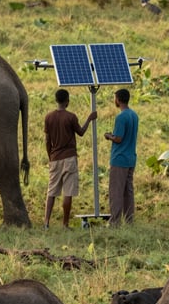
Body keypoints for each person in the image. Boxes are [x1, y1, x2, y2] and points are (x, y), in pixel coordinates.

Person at [44, 88, 97, 228]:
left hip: (54, 158)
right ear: (67, 101)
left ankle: (46, 222)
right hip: (69, 158)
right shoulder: (71, 117)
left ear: (56, 100)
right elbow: (80, 132)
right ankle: (65, 224)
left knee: (52, 191)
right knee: (68, 192)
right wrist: (89, 119)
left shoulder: (48, 117)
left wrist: (51, 156)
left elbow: (47, 141)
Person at [103, 88, 139, 226]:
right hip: (131, 158)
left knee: (116, 192)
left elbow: (118, 138)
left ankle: (115, 222)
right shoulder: (134, 115)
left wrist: (108, 136)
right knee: (128, 191)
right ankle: (129, 220)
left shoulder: (121, 117)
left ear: (118, 99)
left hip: (119, 159)